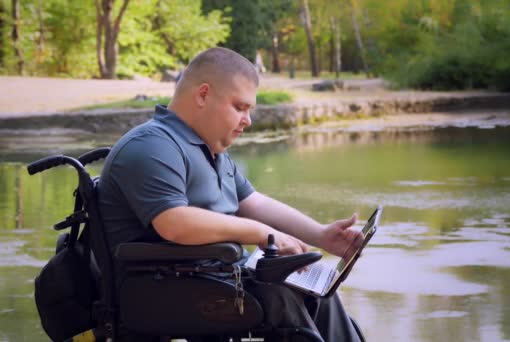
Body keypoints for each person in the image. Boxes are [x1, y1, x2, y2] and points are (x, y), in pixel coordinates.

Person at [97, 47, 363, 341]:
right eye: (240, 107)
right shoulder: (152, 146)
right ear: (203, 95)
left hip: (213, 276)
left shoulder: (211, 149)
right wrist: (263, 235)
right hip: (161, 288)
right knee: (282, 297)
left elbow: (253, 202)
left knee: (317, 290)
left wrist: (322, 235)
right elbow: (174, 223)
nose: (248, 120)